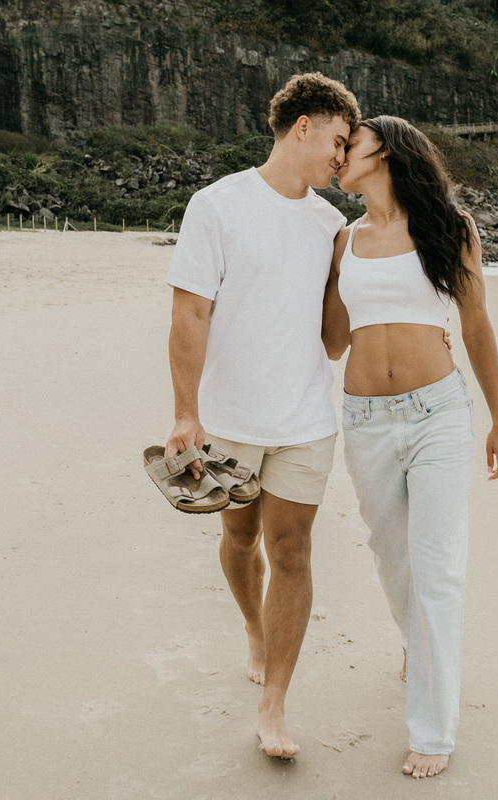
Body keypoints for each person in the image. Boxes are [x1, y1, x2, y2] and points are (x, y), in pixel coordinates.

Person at [163, 72, 360, 758]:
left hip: (306, 420)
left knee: (293, 552)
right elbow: (189, 313)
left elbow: (334, 340)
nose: (344, 157)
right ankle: (253, 624)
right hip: (231, 420)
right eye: (338, 141)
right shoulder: (216, 205)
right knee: (240, 538)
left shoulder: (333, 225)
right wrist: (186, 412)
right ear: (302, 125)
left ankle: (274, 702)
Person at [322, 115, 498, 778]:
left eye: (354, 141)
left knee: (435, 567)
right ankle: (418, 644)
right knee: (390, 553)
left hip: (439, 414)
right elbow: (330, 340)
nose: (342, 153)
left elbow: (477, 323)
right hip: (366, 417)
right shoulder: (343, 240)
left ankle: (433, 728)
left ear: (389, 149)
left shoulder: (449, 228)